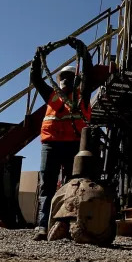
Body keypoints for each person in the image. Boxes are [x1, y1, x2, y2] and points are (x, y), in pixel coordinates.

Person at [31, 44, 93, 241]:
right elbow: (36, 79)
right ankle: (42, 226)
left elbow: (89, 74)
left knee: (71, 186)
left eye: (70, 77)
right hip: (51, 144)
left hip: (73, 145)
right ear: (57, 80)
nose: (65, 79)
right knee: (47, 186)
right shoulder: (51, 95)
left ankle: (65, 225)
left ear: (77, 80)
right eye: (62, 77)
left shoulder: (82, 95)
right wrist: (37, 59)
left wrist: (84, 54)